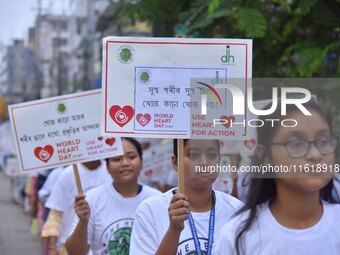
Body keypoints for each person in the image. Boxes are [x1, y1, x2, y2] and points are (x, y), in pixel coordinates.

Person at [213, 99, 340, 254]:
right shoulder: (236, 237)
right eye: (296, 143)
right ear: (266, 156)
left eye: (323, 141)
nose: (315, 154)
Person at [129, 139, 243, 255]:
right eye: (193, 155)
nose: (204, 162)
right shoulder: (150, 210)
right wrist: (174, 231)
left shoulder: (238, 211)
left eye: (212, 155)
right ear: (175, 162)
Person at [65, 137, 161, 255]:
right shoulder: (91, 200)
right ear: (107, 167)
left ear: (142, 162)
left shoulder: (157, 200)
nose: (125, 163)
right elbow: (74, 252)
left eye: (131, 157)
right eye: (116, 159)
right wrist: (83, 222)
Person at [41, 160, 111, 255]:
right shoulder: (67, 174)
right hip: (70, 248)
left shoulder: (112, 172)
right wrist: (52, 248)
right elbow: (55, 214)